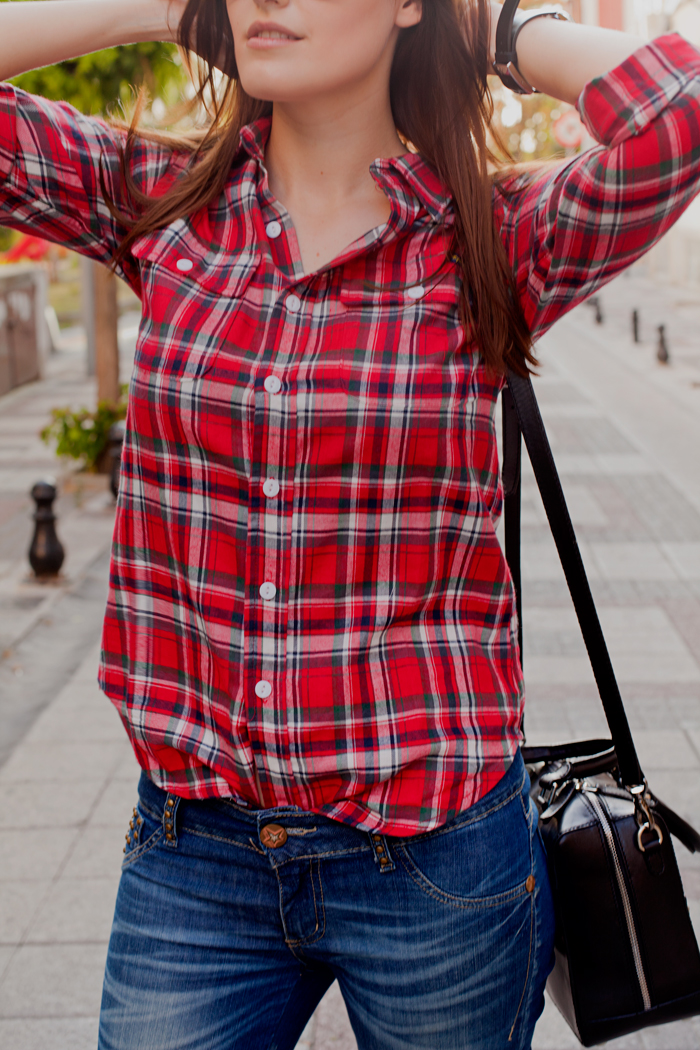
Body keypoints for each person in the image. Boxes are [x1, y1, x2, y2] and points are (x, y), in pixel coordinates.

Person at [2, 1, 699, 1046]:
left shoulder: (492, 238)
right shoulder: (166, 205)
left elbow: (676, 111)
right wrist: (159, 3)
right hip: (197, 855)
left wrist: (499, 28)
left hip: (437, 862)